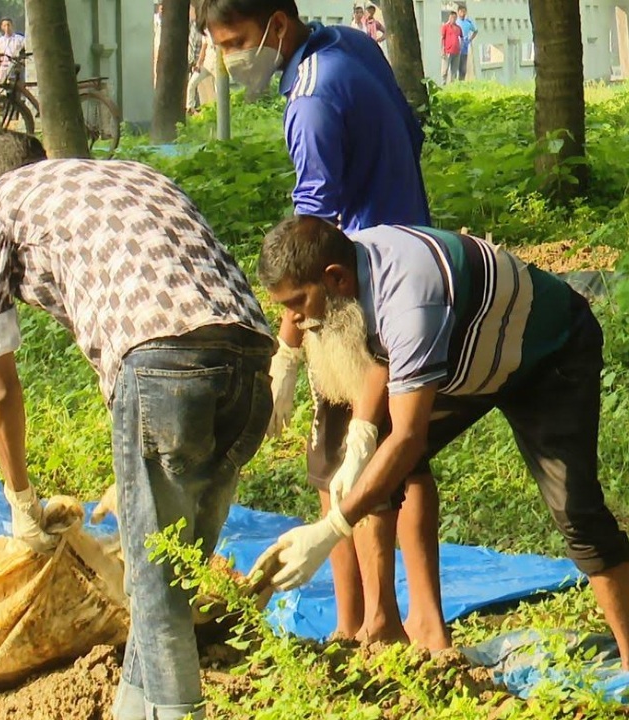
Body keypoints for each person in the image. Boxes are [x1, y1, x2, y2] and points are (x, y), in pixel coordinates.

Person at [0, 132, 273, 720]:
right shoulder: (130, 175)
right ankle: (133, 708)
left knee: (155, 587)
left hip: (161, 363)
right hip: (250, 363)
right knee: (171, 570)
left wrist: (20, 499)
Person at [253, 216, 629, 674]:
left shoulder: (411, 300)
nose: (295, 320)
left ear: (335, 279)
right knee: (368, 458)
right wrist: (360, 436)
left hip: (546, 356)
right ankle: (386, 628)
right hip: (466, 356)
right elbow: (383, 351)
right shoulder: (352, 265)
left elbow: (407, 436)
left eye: (298, 304)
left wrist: (331, 528)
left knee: (575, 509)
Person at [203, 0, 442, 649]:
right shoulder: (348, 45)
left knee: (344, 460)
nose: (231, 60)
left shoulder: (308, 102)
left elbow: (313, 237)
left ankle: (368, 625)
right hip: (411, 266)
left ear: (276, 26)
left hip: (354, 294)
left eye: (236, 42)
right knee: (408, 460)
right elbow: (411, 135)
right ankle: (413, 622)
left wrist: (286, 350)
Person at [185, 6, 210, 114]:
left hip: (207, 63)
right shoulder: (196, 26)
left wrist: (199, 63)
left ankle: (221, 109)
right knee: (192, 84)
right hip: (204, 62)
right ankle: (190, 108)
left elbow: (204, 47)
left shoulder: (206, 29)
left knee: (192, 84)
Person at [0, 16, 25, 86]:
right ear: (2, 27)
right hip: (3, 69)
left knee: (18, 89)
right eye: (5, 25)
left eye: (8, 25)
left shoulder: (20, 39)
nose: (7, 27)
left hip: (16, 68)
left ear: (12, 26)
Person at [456, 4, 477, 82]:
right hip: (456, 48)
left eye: (464, 12)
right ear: (458, 12)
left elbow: (475, 31)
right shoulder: (456, 22)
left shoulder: (468, 23)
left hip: (464, 48)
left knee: (463, 68)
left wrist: (470, 40)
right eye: (461, 12)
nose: (463, 13)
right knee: (456, 67)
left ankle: (461, 82)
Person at [440, 12, 462, 85]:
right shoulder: (445, 27)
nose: (453, 19)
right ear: (449, 18)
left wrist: (460, 47)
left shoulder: (458, 28)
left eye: (455, 17)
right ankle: (443, 84)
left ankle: (453, 85)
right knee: (445, 69)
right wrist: (442, 50)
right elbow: (442, 38)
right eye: (452, 17)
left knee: (454, 71)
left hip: (456, 52)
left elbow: (461, 37)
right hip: (447, 51)